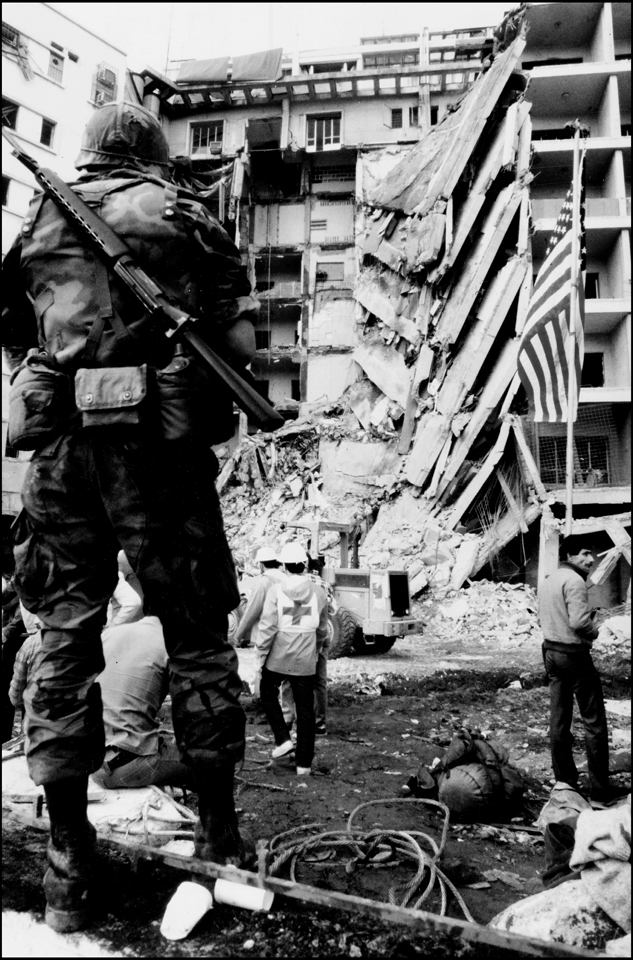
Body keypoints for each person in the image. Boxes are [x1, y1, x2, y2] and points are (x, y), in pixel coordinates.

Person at [2, 102, 259, 932]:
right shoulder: (185, 213)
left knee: (61, 643)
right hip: (159, 453)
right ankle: (219, 838)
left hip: (63, 456)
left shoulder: (40, 217)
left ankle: (67, 865)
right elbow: (239, 335)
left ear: (86, 153)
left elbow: (16, 330)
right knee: (196, 642)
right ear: (153, 152)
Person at [539, 535, 629, 805]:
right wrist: (596, 630)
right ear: (569, 556)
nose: (591, 560)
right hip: (574, 655)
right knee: (594, 723)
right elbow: (579, 622)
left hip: (551, 653)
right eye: (585, 554)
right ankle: (600, 791)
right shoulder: (575, 581)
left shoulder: (549, 580)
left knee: (559, 720)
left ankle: (565, 783)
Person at [92, 615, 196, 790]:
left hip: (93, 761)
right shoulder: (174, 643)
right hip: (129, 766)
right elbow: (188, 713)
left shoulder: (108, 634)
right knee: (210, 765)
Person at [256, 542, 329, 776]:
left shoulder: (276, 591)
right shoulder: (319, 592)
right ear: (305, 565)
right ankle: (303, 765)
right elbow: (322, 631)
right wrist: (316, 651)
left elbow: (267, 627)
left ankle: (282, 738)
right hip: (306, 660)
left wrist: (261, 657)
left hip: (279, 657)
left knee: (267, 692)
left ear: (284, 566)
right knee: (306, 709)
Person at [233, 546, 286, 650]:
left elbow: (251, 613)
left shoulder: (263, 583)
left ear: (261, 565)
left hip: (263, 638)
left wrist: (236, 637)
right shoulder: (285, 578)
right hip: (284, 636)